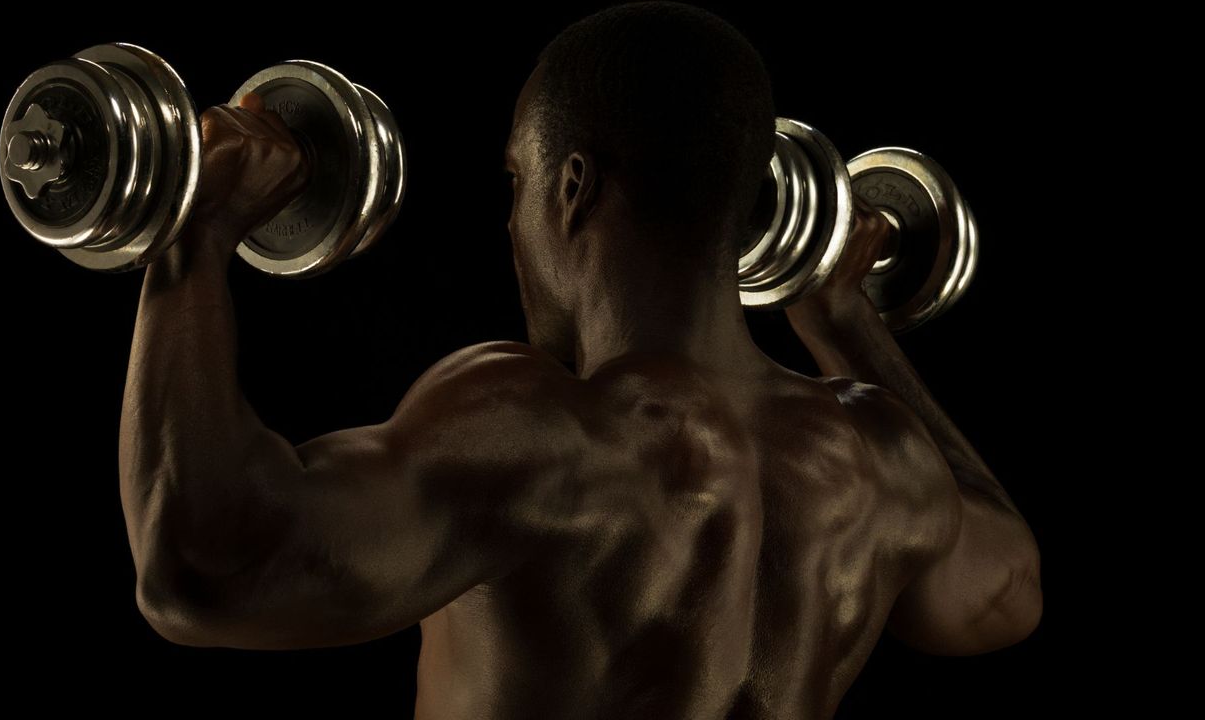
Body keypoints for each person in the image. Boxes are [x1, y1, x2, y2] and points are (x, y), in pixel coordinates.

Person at [118, 2, 1041, 716]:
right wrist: (843, 319)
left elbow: (205, 570)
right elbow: (1008, 591)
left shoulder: (537, 431)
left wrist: (192, 233)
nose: (511, 224)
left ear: (572, 188)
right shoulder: (875, 456)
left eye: (516, 185)